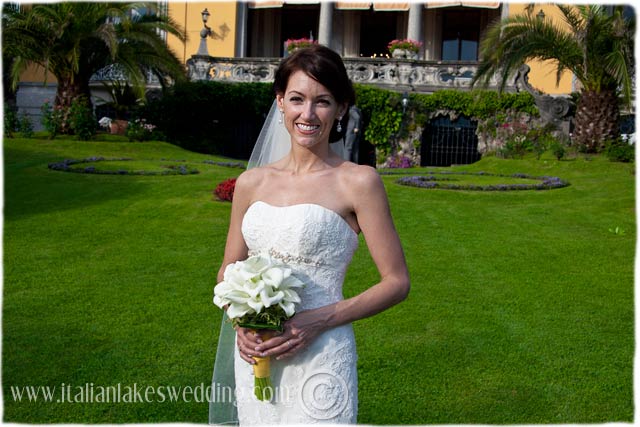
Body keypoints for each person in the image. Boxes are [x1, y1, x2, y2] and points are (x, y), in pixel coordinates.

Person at [209, 44, 410, 425]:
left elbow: (397, 282)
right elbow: (227, 272)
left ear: (341, 108)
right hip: (258, 353)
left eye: (322, 101)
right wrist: (243, 323)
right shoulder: (251, 182)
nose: (308, 114)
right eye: (297, 99)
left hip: (322, 353)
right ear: (280, 101)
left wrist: (318, 320)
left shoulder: (359, 182)